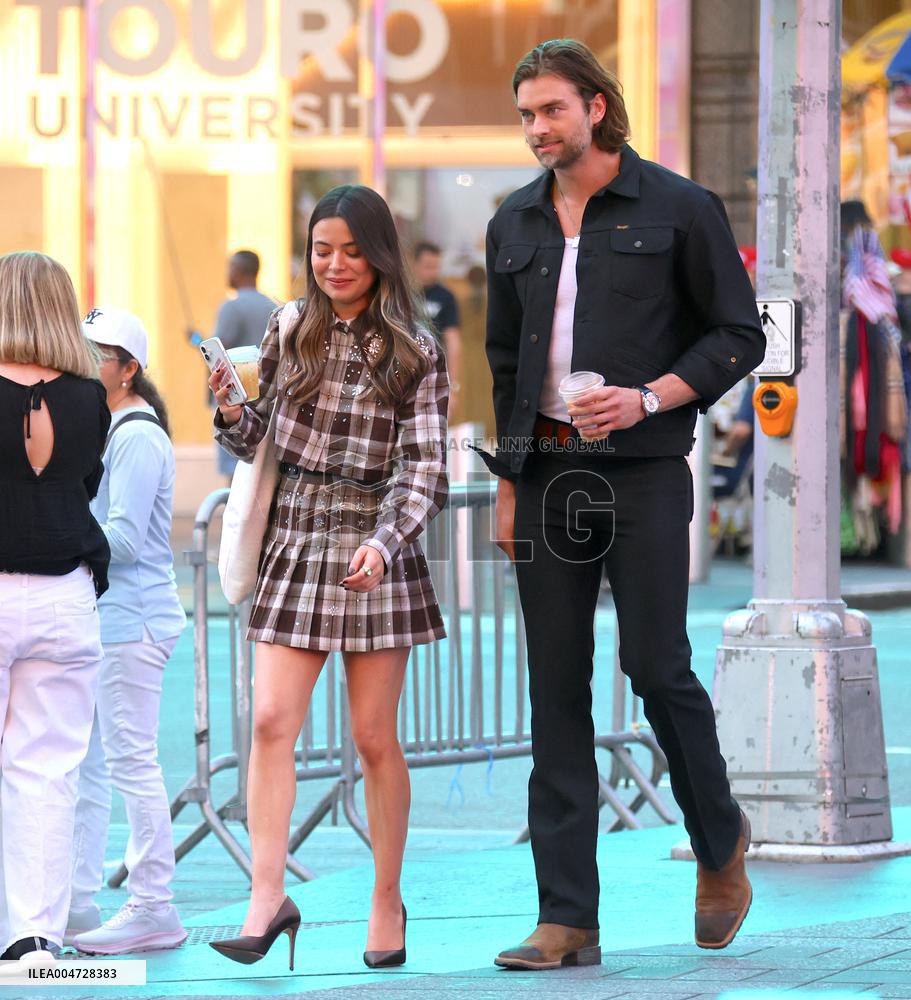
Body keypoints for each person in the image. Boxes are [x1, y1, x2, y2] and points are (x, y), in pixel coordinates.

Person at [479, 39, 766, 969]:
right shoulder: (511, 223)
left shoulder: (681, 208)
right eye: (525, 114)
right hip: (550, 474)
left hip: (642, 470)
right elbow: (505, 365)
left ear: (595, 107)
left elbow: (738, 334)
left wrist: (647, 396)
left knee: (654, 664)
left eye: (549, 110)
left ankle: (718, 842)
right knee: (552, 689)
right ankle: (567, 916)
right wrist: (509, 483)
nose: (535, 129)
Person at [208, 185, 448, 970]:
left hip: (376, 540)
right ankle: (266, 896)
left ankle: (386, 896)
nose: (334, 264)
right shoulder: (288, 326)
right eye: (321, 249)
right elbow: (257, 445)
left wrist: (384, 543)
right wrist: (230, 411)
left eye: (350, 250)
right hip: (296, 534)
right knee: (273, 720)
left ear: (377, 254)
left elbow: (425, 468)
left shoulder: (414, 347)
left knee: (373, 737)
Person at [64, 307, 188, 955]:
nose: (82, 366)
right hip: (109, 618)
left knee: (131, 763)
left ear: (128, 368)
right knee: (88, 763)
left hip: (130, 622)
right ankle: (78, 902)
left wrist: (55, 536)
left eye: (95, 357)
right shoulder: (110, 426)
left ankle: (154, 905)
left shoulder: (136, 435)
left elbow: (126, 540)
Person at [0, 251, 111, 966]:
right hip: (66, 593)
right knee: (47, 771)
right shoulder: (89, 396)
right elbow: (87, 479)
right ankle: (33, 936)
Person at [209, 250, 277, 480]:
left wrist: (198, 342)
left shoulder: (232, 307)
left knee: (234, 471)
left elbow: (219, 349)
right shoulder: (273, 306)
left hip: (235, 401)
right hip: (265, 401)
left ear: (237, 272)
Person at [413, 242, 462, 419]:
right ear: (415, 264)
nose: (432, 272)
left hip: (434, 373)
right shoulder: (403, 294)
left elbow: (454, 343)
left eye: (436, 267)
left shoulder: (446, 297)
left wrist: (453, 387)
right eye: (427, 266)